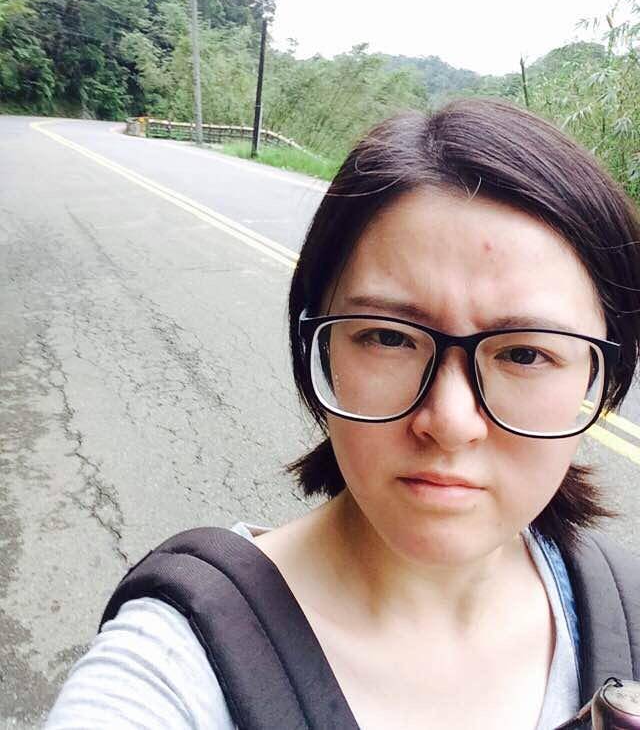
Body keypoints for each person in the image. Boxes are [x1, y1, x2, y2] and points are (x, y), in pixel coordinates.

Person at [47, 98, 640, 729]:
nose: (449, 422)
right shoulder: (174, 665)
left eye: (525, 353)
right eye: (388, 337)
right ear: (322, 349)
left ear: (598, 376)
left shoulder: (626, 611)